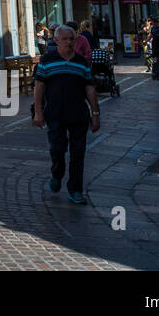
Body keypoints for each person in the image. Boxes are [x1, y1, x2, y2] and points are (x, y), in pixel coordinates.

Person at [32, 24, 100, 204]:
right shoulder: (47, 60)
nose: (69, 42)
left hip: (78, 114)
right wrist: (38, 112)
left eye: (71, 39)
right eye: (65, 39)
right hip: (55, 113)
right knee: (57, 150)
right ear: (56, 40)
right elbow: (39, 86)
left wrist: (95, 113)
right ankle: (57, 174)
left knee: (78, 153)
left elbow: (90, 88)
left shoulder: (81, 62)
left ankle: (75, 189)